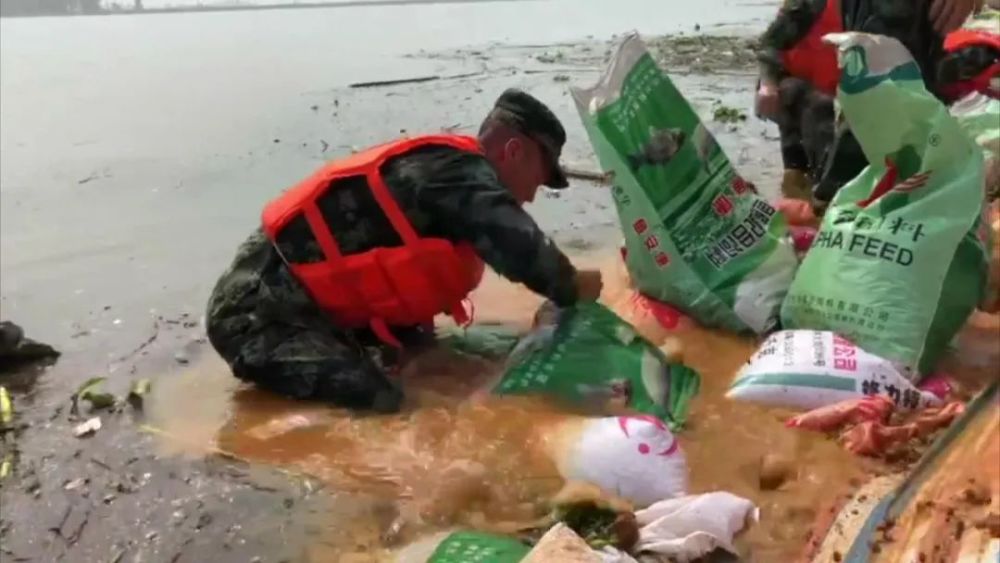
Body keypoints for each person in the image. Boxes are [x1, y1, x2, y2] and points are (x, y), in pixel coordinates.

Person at [206, 89, 604, 413]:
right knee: (384, 400)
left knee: (430, 360)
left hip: (317, 309)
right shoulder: (456, 175)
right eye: (539, 177)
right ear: (514, 151)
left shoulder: (456, 174)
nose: (533, 195)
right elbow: (525, 252)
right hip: (256, 318)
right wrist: (573, 284)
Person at [754, 0, 984, 211]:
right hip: (833, 109)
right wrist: (767, 84)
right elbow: (772, 45)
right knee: (787, 90)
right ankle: (801, 178)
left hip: (903, 116)